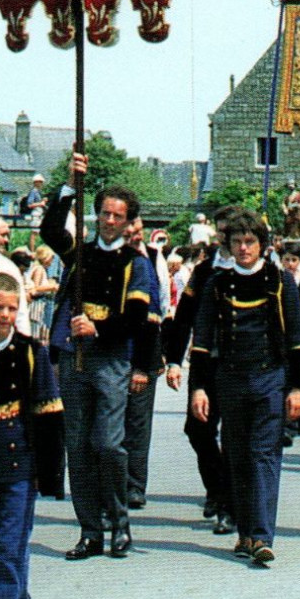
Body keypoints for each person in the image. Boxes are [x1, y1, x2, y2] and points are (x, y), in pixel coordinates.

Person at [40, 154, 159, 560]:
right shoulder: (79, 253)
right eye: (105, 213)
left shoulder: (136, 264)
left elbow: (139, 319)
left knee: (108, 444)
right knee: (78, 446)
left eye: (118, 216)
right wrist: (70, 185)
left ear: (129, 223)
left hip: (112, 362)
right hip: (75, 360)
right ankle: (90, 531)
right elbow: (50, 229)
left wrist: (99, 328)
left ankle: (119, 522)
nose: (110, 221)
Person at [187, 209, 300, 565]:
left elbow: (298, 340)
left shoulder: (280, 281)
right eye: (237, 242)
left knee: (264, 455)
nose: (243, 248)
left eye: (250, 242)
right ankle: (244, 532)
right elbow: (202, 343)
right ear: (228, 245)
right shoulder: (217, 284)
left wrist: (298, 388)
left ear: (263, 245)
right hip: (229, 380)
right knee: (237, 457)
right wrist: (199, 389)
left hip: (270, 378)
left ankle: (262, 536)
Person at [0, 271, 65, 599]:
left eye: (13, 308)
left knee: (8, 550)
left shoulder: (31, 352)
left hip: (19, 467)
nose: (6, 316)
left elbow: (48, 413)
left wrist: (49, 472)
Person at [166, 206, 240, 535]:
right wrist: (173, 360)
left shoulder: (257, 269)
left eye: (231, 231)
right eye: (221, 231)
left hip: (242, 365)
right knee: (199, 429)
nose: (225, 237)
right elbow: (184, 316)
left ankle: (229, 504)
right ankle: (217, 487)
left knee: (236, 437)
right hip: (207, 361)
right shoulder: (205, 269)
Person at [122, 215, 167, 510]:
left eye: (140, 231)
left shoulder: (153, 257)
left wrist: (151, 359)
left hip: (143, 353)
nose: (137, 236)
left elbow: (160, 307)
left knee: (137, 424)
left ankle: (135, 485)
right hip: (112, 353)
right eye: (132, 231)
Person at [25, 243, 61, 344]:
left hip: (40, 304)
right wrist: (53, 287)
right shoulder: (39, 269)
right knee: (36, 335)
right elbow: (36, 287)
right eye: (51, 258)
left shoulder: (39, 268)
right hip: (37, 305)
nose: (52, 261)